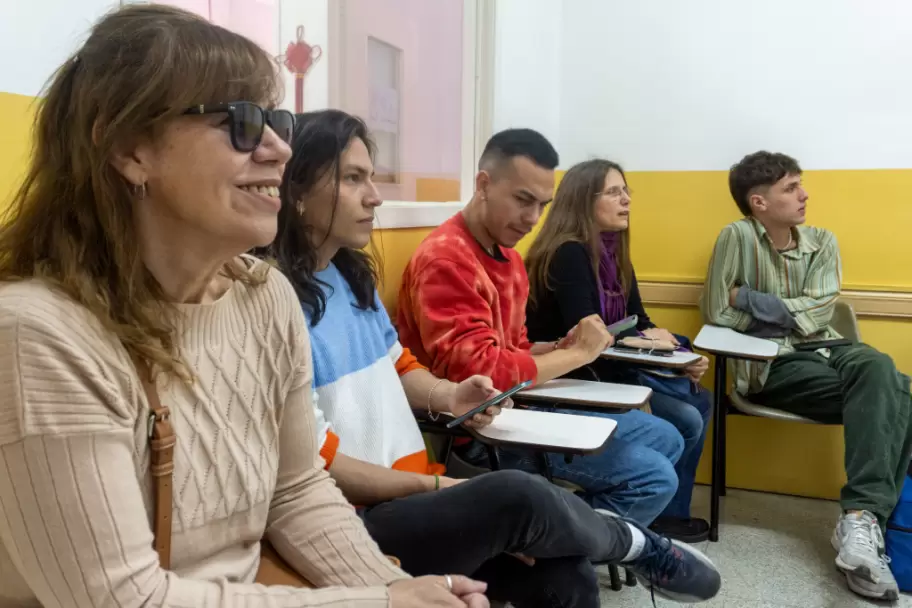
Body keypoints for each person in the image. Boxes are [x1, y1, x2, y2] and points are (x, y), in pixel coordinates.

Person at [0, 6, 490, 607]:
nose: (280, 150)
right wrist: (378, 602)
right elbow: (120, 599)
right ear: (130, 149)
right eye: (241, 123)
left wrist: (393, 585)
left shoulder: (265, 295)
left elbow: (296, 489)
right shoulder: (38, 335)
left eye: (276, 121)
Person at [266, 109, 723, 606]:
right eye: (354, 179)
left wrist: (450, 393)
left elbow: (401, 366)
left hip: (422, 482)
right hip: (357, 512)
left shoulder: (352, 277)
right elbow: (313, 467)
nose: (375, 196)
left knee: (567, 575)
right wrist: (439, 488)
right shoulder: (274, 301)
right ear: (295, 189)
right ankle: (630, 542)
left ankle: (583, 535)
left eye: (371, 178)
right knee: (524, 495)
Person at [396, 128, 685, 526]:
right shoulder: (446, 259)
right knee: (654, 477)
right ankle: (562, 538)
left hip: (524, 406)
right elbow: (479, 377)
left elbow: (513, 347)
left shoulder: (510, 259)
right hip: (481, 432)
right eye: (522, 200)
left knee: (667, 436)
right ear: (483, 184)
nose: (532, 219)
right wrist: (578, 354)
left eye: (542, 205)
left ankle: (562, 527)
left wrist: (550, 348)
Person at [702, 150, 912, 601]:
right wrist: (785, 317)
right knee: (899, 394)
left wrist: (752, 300)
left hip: (832, 348)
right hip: (773, 363)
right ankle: (868, 526)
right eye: (791, 188)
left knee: (879, 368)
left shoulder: (822, 240)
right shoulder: (735, 237)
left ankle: (860, 524)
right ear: (759, 202)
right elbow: (717, 309)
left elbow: (821, 309)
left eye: (801, 184)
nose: (804, 194)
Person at [524, 159, 713, 543]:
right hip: (573, 381)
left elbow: (637, 320)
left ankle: (662, 512)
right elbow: (588, 332)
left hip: (610, 370)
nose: (626, 200)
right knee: (686, 421)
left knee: (700, 400)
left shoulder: (614, 255)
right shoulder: (569, 253)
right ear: (583, 201)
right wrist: (660, 352)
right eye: (614, 192)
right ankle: (620, 515)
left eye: (626, 192)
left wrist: (677, 350)